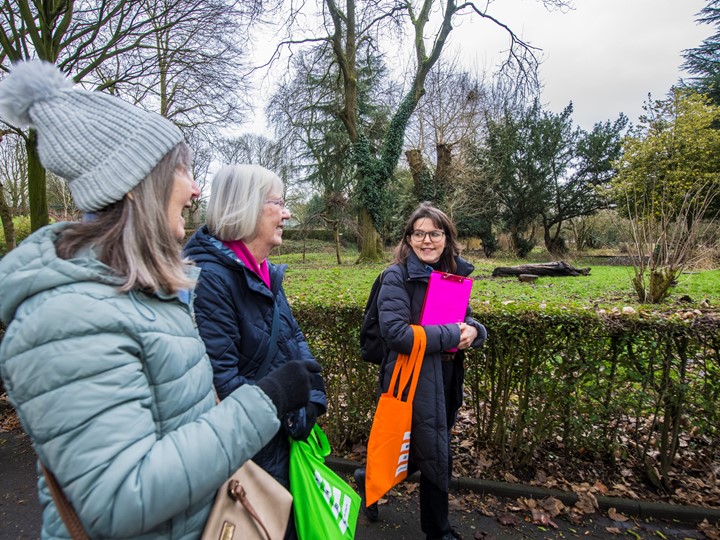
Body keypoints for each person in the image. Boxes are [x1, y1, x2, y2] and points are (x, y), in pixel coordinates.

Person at [0, 60, 319, 539]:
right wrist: (266, 401)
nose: (196, 190)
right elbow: (118, 498)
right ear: (134, 183)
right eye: (183, 170)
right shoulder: (66, 315)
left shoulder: (145, 293)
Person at [183, 164, 327, 539]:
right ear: (246, 207)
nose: (287, 213)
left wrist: (312, 398)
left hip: (277, 442)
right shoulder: (210, 278)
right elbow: (220, 381)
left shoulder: (261, 270)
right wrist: (289, 412)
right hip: (248, 454)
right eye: (278, 203)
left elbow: (294, 340)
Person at [354, 202, 487, 540]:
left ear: (446, 237)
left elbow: (462, 318)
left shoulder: (451, 276)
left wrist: (476, 331)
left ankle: (366, 478)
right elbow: (396, 333)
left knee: (421, 449)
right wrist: (454, 333)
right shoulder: (395, 276)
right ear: (408, 239)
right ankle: (438, 532)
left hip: (444, 376)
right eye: (419, 234)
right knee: (436, 454)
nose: (427, 240)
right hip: (408, 379)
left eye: (435, 233)